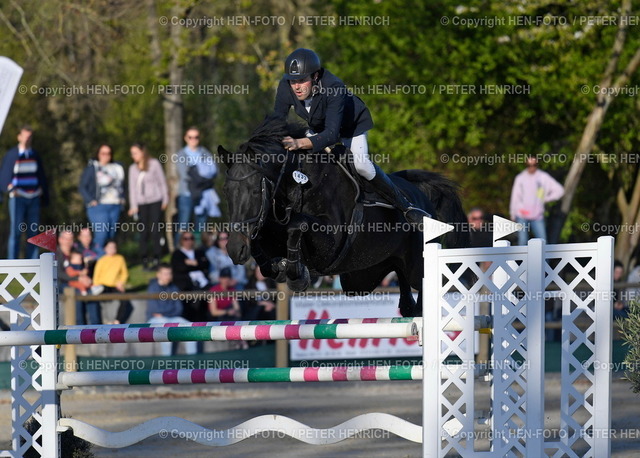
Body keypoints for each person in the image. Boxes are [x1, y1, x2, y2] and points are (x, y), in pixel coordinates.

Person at [274, 48, 428, 225]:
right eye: (293, 81)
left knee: (361, 165)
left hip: (350, 127)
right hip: (319, 128)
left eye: (302, 81)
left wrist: (299, 142)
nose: (297, 87)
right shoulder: (286, 86)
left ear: (315, 77)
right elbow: (277, 122)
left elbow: (331, 135)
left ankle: (406, 207)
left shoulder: (333, 86)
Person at [0, 125, 49, 259]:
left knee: (33, 232)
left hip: (33, 197)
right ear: (19, 137)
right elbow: (4, 176)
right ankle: (12, 263)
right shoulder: (12, 154)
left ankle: (32, 264)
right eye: (25, 136)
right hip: (17, 197)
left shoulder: (34, 154)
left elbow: (41, 176)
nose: (28, 139)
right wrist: (10, 189)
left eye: (30, 136)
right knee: (16, 231)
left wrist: (41, 190)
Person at [128, 143, 169, 271]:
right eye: (132, 153)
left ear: (142, 152)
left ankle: (157, 258)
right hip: (141, 204)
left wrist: (165, 199)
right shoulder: (133, 168)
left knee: (155, 230)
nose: (133, 156)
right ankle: (144, 259)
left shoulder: (154, 164)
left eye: (135, 152)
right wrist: (134, 205)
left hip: (155, 200)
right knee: (143, 231)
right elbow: (132, 189)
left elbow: (162, 182)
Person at [78, 144, 126, 254]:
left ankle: (108, 263)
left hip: (115, 205)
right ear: (98, 154)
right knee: (101, 234)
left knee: (111, 235)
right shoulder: (92, 168)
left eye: (108, 153)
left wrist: (123, 198)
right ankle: (98, 259)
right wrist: (91, 200)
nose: (106, 156)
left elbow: (124, 185)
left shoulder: (118, 167)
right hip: (98, 206)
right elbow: (82, 187)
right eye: (103, 153)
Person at [174, 127, 217, 245]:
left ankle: (200, 250)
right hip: (186, 194)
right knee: (184, 223)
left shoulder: (205, 152)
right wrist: (203, 177)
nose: (193, 139)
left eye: (196, 137)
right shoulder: (181, 154)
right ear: (185, 138)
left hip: (203, 195)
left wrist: (199, 176)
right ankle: (179, 251)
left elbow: (214, 170)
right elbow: (185, 174)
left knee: (202, 225)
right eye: (190, 137)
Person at [509, 156, 564, 245]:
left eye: (534, 165)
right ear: (526, 165)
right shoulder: (520, 178)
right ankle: (523, 259)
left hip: (537, 215)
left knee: (543, 242)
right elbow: (515, 196)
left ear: (537, 165)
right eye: (529, 165)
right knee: (523, 242)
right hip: (522, 214)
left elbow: (560, 190)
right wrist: (512, 213)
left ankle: (544, 260)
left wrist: (546, 198)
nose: (532, 167)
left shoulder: (543, 177)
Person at [146, 263, 197, 356]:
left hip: (171, 318)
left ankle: (193, 364)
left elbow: (179, 309)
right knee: (166, 332)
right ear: (158, 275)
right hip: (155, 320)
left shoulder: (174, 288)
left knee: (192, 330)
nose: (168, 276)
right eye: (165, 274)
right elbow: (154, 310)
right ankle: (167, 365)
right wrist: (169, 311)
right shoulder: (152, 288)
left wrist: (164, 312)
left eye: (170, 273)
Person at [56, 231, 100, 325]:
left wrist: (86, 278)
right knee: (76, 293)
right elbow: (59, 274)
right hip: (63, 284)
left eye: (71, 239)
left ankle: (96, 327)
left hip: (79, 282)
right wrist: (78, 279)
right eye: (66, 239)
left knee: (92, 294)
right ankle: (80, 327)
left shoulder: (76, 252)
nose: (68, 241)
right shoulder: (56, 254)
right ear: (60, 239)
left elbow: (83, 269)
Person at [170, 231, 210, 322]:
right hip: (187, 287)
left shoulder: (199, 252)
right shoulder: (177, 254)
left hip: (204, 285)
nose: (189, 241)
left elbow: (206, 264)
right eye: (186, 238)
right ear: (181, 240)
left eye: (191, 238)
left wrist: (189, 263)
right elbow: (179, 267)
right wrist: (196, 263)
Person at [92, 240, 132, 324]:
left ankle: (117, 320)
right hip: (103, 286)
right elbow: (96, 276)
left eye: (113, 247)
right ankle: (101, 321)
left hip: (115, 286)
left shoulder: (120, 259)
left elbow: (125, 273)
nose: (111, 249)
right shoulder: (101, 260)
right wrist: (96, 285)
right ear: (105, 249)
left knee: (125, 299)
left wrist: (121, 282)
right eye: (109, 247)